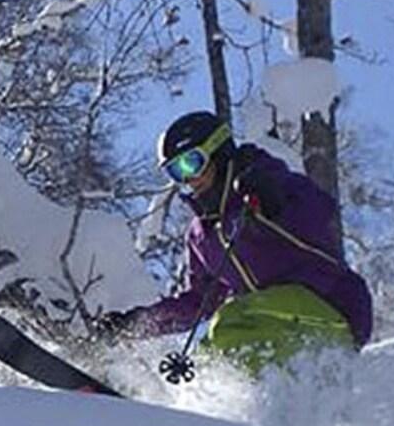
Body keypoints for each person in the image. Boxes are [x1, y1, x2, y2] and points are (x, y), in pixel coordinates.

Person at [115, 111, 373, 378]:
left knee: (231, 323)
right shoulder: (201, 235)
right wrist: (134, 324)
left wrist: (275, 199)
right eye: (175, 172)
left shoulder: (264, 184)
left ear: (217, 150)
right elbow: (199, 301)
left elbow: (320, 209)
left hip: (333, 307)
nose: (188, 179)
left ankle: (251, 402)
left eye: (191, 163)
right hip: (276, 324)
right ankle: (224, 415)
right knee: (206, 360)